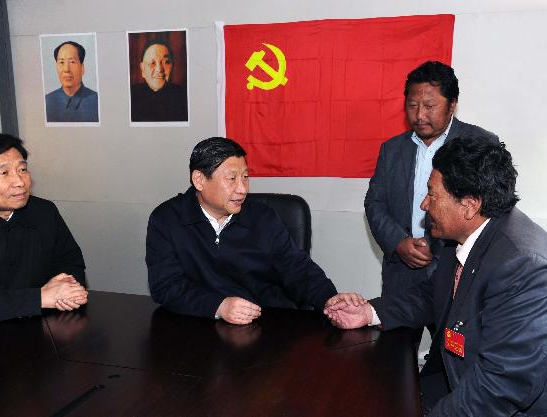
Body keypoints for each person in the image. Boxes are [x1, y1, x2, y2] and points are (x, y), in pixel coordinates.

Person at [325, 137, 547, 416]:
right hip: (453, 381)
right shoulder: (467, 234)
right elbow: (433, 295)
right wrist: (369, 312)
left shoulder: (523, 265)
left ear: (469, 205)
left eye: (432, 194)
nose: (424, 205)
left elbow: (500, 386)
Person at [146, 137, 361, 325]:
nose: (242, 189)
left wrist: (327, 298)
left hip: (266, 325)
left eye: (246, 177)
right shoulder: (166, 220)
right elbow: (166, 286)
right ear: (199, 180)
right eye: (231, 179)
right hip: (197, 326)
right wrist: (218, 306)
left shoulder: (262, 217)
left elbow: (296, 267)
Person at [365, 61, 498, 296]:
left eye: (429, 106)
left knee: (452, 334)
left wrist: (433, 245)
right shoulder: (392, 149)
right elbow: (374, 203)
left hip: (457, 269)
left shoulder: (480, 143)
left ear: (452, 105)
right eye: (412, 105)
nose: (419, 115)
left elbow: (488, 208)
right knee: (395, 332)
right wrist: (398, 242)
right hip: (402, 271)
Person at [0, 131, 88, 326]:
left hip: (43, 327)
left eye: (22, 169)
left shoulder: (44, 211)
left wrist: (67, 291)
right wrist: (38, 298)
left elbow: (70, 262)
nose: (20, 182)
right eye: (4, 173)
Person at [130, 39, 188, 122]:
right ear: (142, 69)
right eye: (152, 63)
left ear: (172, 66)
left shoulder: (184, 96)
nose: (159, 69)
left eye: (166, 62)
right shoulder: (131, 95)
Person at [45, 41, 99, 122]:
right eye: (61, 62)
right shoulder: (47, 101)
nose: (66, 69)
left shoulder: (97, 101)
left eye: (72, 62)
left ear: (82, 68)